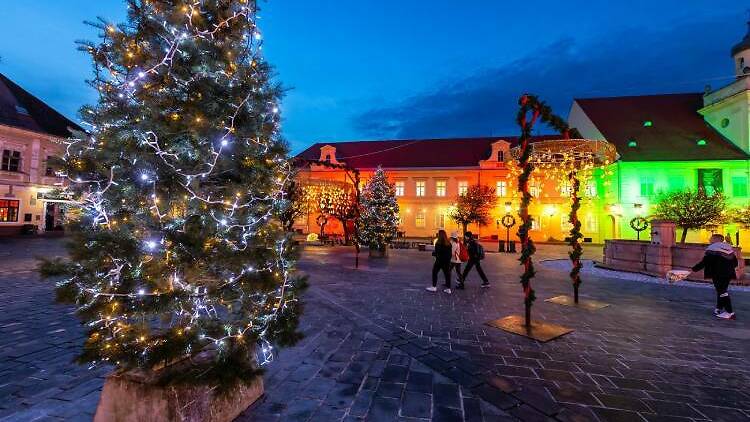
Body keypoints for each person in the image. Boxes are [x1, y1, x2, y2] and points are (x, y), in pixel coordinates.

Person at [692, 234, 737, 320]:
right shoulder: (728, 248)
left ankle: (730, 312)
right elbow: (735, 263)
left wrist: (693, 269)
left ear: (716, 239)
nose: (709, 240)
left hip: (717, 274)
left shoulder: (712, 248)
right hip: (728, 273)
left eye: (711, 238)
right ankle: (719, 309)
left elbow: (705, 262)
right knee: (721, 290)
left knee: (722, 291)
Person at [427, 229, 452, 294]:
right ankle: (448, 288)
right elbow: (450, 253)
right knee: (447, 274)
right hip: (447, 261)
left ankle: (434, 286)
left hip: (439, 261)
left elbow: (437, 253)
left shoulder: (438, 243)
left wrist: (433, 254)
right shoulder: (448, 243)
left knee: (434, 272)